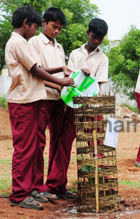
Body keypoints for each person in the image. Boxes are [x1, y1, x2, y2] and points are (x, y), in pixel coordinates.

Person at [6, 6, 74, 210]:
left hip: (31, 99)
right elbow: (35, 69)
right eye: (35, 26)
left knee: (29, 147)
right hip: (23, 100)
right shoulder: (19, 42)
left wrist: (61, 70)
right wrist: (60, 82)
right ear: (27, 23)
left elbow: (38, 68)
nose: (35, 30)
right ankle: (19, 193)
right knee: (25, 149)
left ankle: (28, 190)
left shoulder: (21, 42)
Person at [43, 18, 109, 199]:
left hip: (93, 107)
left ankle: (99, 182)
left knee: (96, 145)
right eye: (94, 37)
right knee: (64, 143)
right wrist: (81, 72)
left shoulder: (103, 58)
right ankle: (56, 185)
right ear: (88, 33)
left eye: (100, 39)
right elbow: (69, 78)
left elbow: (100, 85)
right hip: (73, 106)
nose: (96, 41)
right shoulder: (75, 54)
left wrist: (90, 77)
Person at [28, 7, 71, 201]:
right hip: (41, 98)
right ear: (43, 23)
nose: (56, 31)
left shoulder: (60, 47)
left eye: (60, 29)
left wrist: (66, 83)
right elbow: (37, 73)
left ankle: (55, 184)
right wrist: (60, 83)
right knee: (38, 143)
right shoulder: (35, 42)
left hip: (59, 100)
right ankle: (36, 186)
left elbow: (62, 75)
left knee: (59, 141)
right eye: (54, 26)